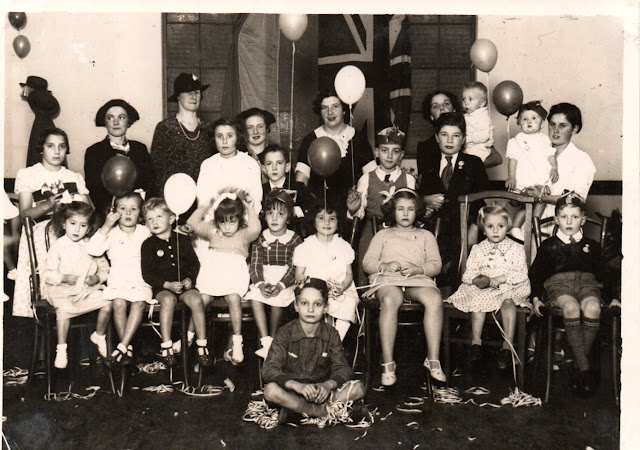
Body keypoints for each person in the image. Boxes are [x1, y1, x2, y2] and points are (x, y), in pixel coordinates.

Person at [362, 188, 444, 385]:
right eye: (400, 209)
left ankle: (433, 359)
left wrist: (418, 269)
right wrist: (384, 265)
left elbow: (436, 265)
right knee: (392, 299)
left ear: (418, 211)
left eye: (410, 209)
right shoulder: (383, 235)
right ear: (393, 211)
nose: (405, 214)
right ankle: (388, 363)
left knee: (434, 299)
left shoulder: (426, 235)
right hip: (388, 280)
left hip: (417, 280)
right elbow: (367, 262)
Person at [262, 278, 366, 425]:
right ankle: (320, 412)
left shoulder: (331, 333)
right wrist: (295, 385)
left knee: (359, 388)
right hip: (294, 392)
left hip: (323, 394)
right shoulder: (285, 333)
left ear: (325, 307)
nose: (310, 310)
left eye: (317, 304)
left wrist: (328, 385)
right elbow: (269, 369)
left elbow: (343, 369)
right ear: (296, 305)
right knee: (271, 390)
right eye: (304, 303)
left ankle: (299, 411)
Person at [530, 192, 603, 396]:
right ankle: (584, 370)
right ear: (556, 219)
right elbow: (536, 274)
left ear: (583, 220)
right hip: (559, 286)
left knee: (593, 308)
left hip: (587, 285)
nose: (569, 222)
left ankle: (575, 361)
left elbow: (604, 273)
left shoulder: (592, 246)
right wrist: (535, 298)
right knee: (571, 308)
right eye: (564, 217)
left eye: (575, 217)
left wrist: (615, 296)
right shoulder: (548, 246)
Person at [13, 127, 90, 318]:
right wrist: (48, 205)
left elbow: (89, 211)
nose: (57, 151)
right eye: (50, 146)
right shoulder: (28, 174)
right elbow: (25, 214)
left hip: (72, 232)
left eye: (62, 147)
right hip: (42, 233)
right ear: (41, 148)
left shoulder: (73, 177)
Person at [446, 205, 531, 368]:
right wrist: (477, 280)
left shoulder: (516, 248)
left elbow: (521, 273)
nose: (496, 231)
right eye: (490, 226)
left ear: (508, 227)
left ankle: (507, 347)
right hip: (486, 289)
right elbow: (467, 274)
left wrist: (501, 278)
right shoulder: (478, 249)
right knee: (478, 299)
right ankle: (476, 343)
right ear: (483, 230)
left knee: (508, 301)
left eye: (501, 226)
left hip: (510, 286)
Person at [187, 191, 261, 365]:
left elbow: (256, 229)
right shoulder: (213, 230)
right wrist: (207, 204)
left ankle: (237, 342)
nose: (227, 227)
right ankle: (189, 336)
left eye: (232, 222)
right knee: (201, 299)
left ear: (239, 220)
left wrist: (249, 207)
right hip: (213, 273)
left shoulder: (243, 234)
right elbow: (192, 223)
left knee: (234, 298)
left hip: (233, 273)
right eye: (222, 222)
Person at [418, 112, 490, 288]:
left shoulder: (474, 163)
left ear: (463, 139)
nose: (450, 140)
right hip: (437, 228)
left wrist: (474, 226)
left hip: (466, 227)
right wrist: (426, 201)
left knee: (461, 268)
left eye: (456, 135)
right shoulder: (429, 163)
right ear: (437, 137)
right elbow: (421, 195)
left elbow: (483, 199)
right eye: (444, 135)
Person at [140, 198, 209, 367]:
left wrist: (189, 280)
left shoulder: (182, 240)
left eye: (159, 217)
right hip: (163, 287)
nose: (154, 222)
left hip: (184, 286)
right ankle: (166, 346)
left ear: (171, 219)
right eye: (150, 219)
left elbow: (194, 264)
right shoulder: (148, 245)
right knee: (168, 300)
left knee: (197, 300)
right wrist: (167, 285)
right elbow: (147, 274)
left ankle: (202, 345)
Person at [43, 201, 112, 369]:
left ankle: (99, 335)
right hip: (62, 291)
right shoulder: (59, 246)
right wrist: (63, 277)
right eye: (72, 224)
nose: (76, 229)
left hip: (86, 290)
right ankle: (61, 348)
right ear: (64, 224)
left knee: (108, 302)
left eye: (83, 226)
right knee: (63, 309)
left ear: (88, 229)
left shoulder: (91, 246)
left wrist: (97, 277)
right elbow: (47, 273)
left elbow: (105, 269)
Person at [295, 89, 375, 231]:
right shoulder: (310, 140)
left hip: (351, 213)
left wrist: (356, 206)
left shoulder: (359, 139)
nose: (330, 112)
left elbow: (372, 178)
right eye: (324, 108)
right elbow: (301, 180)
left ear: (344, 110)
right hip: (320, 214)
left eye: (335, 106)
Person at [87, 191, 151, 368]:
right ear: (114, 212)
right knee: (119, 303)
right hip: (118, 281)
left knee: (139, 302)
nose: (128, 213)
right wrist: (106, 225)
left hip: (140, 281)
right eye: (122, 209)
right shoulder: (111, 233)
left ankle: (122, 348)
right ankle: (126, 349)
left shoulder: (145, 232)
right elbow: (93, 249)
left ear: (141, 213)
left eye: (133, 209)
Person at [346, 127, 416, 285]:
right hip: (372, 230)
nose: (389, 156)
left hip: (399, 232)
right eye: (384, 150)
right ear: (376, 152)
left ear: (402, 155)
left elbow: (412, 209)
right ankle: (366, 292)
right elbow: (359, 213)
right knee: (367, 263)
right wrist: (353, 209)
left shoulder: (408, 180)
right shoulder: (366, 179)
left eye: (395, 151)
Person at [246, 190, 302, 359]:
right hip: (265, 277)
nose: (275, 218)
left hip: (284, 280)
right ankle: (266, 341)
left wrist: (280, 285)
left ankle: (273, 336)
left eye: (280, 214)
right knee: (255, 297)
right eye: (270, 213)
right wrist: (261, 284)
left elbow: (294, 267)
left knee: (278, 299)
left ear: (289, 217)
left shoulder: (294, 239)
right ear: (265, 216)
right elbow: (255, 265)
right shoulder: (260, 238)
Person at [293, 203, 359, 341]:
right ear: (313, 221)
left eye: (332, 219)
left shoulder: (343, 246)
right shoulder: (306, 246)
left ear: (338, 223)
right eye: (321, 218)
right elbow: (299, 275)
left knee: (348, 304)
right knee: (314, 305)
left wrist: (342, 287)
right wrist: (308, 283)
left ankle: (334, 341)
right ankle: (319, 342)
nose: (327, 223)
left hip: (340, 290)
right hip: (314, 290)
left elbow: (349, 274)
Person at [84, 99, 154, 220]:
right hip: (109, 215)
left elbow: (150, 181)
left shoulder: (140, 149)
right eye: (110, 118)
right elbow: (94, 189)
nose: (116, 122)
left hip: (139, 213)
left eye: (121, 117)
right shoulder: (94, 152)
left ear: (128, 121)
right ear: (105, 122)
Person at [525, 103, 596, 220]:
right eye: (552, 124)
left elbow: (575, 200)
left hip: (561, 228)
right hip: (529, 226)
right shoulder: (536, 153)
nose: (556, 130)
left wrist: (541, 197)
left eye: (562, 125)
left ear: (574, 128)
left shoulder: (582, 159)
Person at [416, 90, 501, 185]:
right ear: (431, 116)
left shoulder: (470, 134)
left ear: (454, 110)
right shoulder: (425, 147)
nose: (442, 108)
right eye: (435, 106)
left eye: (446, 104)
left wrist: (468, 166)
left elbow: (496, 158)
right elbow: (423, 181)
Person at [150, 73, 213, 197]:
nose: (193, 96)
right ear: (178, 96)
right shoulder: (165, 128)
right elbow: (156, 170)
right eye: (188, 92)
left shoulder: (209, 128)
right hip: (174, 196)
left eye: (197, 92)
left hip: (203, 196)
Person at [505, 101, 559, 240]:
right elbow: (513, 160)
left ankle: (534, 224)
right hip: (525, 178)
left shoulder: (545, 140)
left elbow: (551, 156)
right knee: (526, 205)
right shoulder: (516, 141)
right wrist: (511, 177)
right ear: (518, 122)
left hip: (540, 178)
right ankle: (516, 227)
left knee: (541, 201)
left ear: (542, 123)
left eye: (534, 118)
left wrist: (554, 168)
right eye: (524, 119)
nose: (529, 122)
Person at [195, 117, 262, 213]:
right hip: (213, 218)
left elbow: (256, 200)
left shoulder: (250, 163)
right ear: (214, 139)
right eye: (219, 136)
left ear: (237, 137)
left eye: (229, 136)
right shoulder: (208, 165)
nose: (224, 141)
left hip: (244, 218)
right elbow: (202, 201)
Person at [461, 81, 494, 162]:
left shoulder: (481, 116)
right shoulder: (468, 115)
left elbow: (485, 135)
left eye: (470, 99)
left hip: (480, 147)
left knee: (468, 160)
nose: (466, 102)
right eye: (463, 99)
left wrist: (468, 138)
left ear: (482, 103)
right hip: (469, 145)